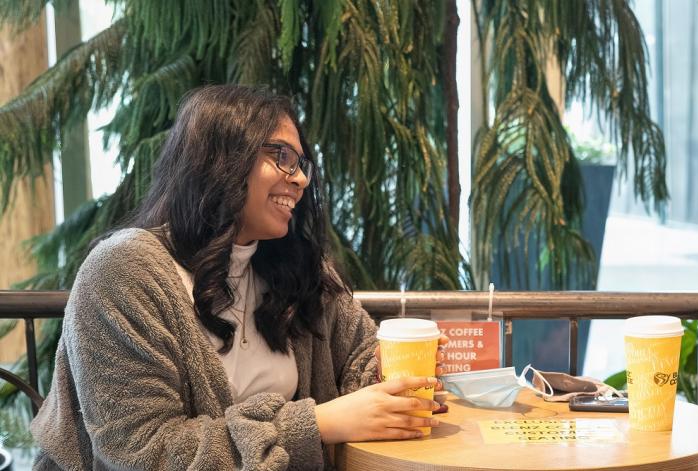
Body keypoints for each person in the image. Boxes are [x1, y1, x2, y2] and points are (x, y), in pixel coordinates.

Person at [30, 85, 445, 470]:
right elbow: (144, 451)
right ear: (221, 159)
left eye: (301, 164)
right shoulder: (122, 272)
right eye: (282, 157)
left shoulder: (296, 266)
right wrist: (316, 424)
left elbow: (357, 356)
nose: (299, 179)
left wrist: (395, 377)